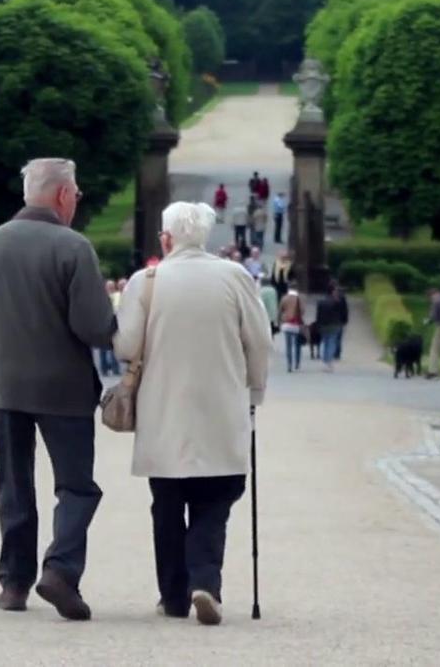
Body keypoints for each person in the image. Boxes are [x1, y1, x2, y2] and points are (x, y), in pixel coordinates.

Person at [0, 158, 113, 622]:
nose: (77, 201)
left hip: (6, 388)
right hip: (65, 390)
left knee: (14, 484)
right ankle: (60, 571)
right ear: (63, 195)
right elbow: (95, 327)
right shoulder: (74, 248)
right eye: (77, 194)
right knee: (77, 488)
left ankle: (13, 583)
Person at [113, 201, 272, 626]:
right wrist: (255, 391)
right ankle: (205, 580)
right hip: (221, 407)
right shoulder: (235, 277)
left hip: (163, 410)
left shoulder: (145, 282)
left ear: (165, 238)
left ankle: (174, 596)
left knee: (166, 504)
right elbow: (259, 341)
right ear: (206, 237)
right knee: (215, 500)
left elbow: (126, 347)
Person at [315, 286, 343, 372]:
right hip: (334, 325)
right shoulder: (337, 302)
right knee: (332, 343)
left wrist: (318, 325)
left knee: (325, 342)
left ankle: (325, 360)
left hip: (323, 325)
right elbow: (341, 314)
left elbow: (318, 315)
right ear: (332, 292)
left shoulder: (321, 302)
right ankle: (329, 361)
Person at [97, 281, 122, 376]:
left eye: (112, 286)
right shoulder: (100, 297)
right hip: (102, 325)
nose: (110, 288)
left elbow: (117, 308)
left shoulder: (117, 296)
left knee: (113, 348)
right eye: (109, 286)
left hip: (113, 324)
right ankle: (104, 369)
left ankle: (115, 368)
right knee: (102, 349)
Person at [279, 286, 304, 372]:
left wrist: (280, 320)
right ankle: (297, 363)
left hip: (286, 323)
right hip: (296, 323)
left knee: (288, 346)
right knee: (297, 345)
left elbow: (280, 310)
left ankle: (289, 365)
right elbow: (302, 311)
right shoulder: (298, 299)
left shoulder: (284, 298)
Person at [332, 282, 348, 361]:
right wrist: (345, 320)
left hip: (333, 321)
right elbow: (345, 311)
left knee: (334, 337)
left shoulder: (332, 298)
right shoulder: (342, 299)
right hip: (340, 320)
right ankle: (337, 353)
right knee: (338, 338)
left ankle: (334, 352)